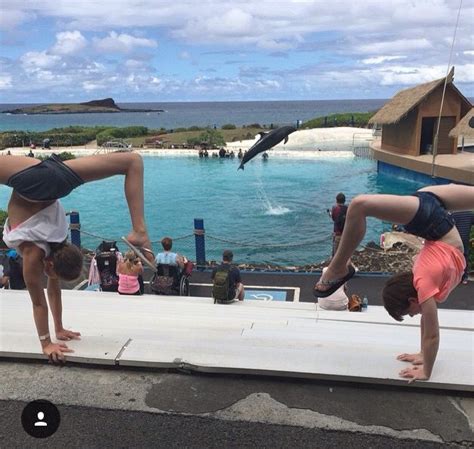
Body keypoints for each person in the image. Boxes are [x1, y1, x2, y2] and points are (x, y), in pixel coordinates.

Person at [1, 152, 153, 363]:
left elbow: (54, 293)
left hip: (56, 181)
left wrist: (59, 328)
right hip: (33, 182)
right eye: (51, 273)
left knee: (132, 162)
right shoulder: (34, 254)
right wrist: (46, 343)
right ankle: (139, 232)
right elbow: (38, 303)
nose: (49, 277)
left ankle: (140, 230)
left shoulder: (58, 240)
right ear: (51, 264)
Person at [314, 184, 474, 383]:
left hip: (431, 219)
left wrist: (426, 372)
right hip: (433, 209)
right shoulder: (427, 285)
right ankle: (338, 268)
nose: (414, 314)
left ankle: (337, 268)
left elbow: (432, 335)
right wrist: (423, 355)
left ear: (411, 299)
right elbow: (427, 323)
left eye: (409, 312)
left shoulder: (423, 284)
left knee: (359, 205)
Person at [451, 211, 474, 284]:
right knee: (465, 257)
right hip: (465, 239)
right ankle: (465, 277)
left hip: (455, 240)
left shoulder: (453, 214)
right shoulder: (470, 214)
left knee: (454, 258)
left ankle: (456, 278)